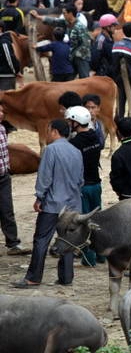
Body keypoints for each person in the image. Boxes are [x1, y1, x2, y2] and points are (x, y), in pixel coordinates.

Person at [12, 119, 83, 288]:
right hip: (72, 204)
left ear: (55, 132)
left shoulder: (50, 150)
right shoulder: (76, 151)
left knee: (41, 240)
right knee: (67, 241)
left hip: (53, 204)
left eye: (49, 130)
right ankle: (66, 277)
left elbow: (45, 178)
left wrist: (39, 197)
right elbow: (81, 179)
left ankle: (33, 277)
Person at [64, 106, 102, 266]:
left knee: (85, 223)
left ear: (76, 122)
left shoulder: (74, 143)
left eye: (70, 121)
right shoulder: (95, 136)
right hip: (96, 185)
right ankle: (101, 254)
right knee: (97, 220)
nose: (68, 123)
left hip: (83, 187)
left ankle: (89, 258)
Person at [0, 104, 30, 256]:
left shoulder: (3, 130)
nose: (1, 114)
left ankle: (13, 243)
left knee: (7, 210)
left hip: (4, 176)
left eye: (2, 111)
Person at [31, 3, 91, 79]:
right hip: (72, 56)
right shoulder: (66, 23)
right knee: (69, 78)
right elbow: (54, 21)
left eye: (64, 13)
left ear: (70, 14)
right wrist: (38, 17)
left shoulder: (80, 27)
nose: (63, 15)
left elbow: (86, 44)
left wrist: (72, 53)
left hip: (81, 57)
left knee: (84, 78)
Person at [0, 20, 19, 91]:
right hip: (5, 75)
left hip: (6, 76)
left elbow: (9, 58)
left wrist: (16, 71)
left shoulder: (4, 42)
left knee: (5, 100)